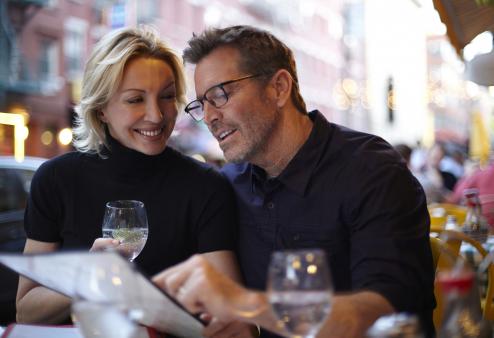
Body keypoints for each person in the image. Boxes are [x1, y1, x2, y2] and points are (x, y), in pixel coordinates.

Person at [155, 25, 435, 338]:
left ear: (279, 88)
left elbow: (384, 316)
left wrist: (243, 304)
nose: (208, 117)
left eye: (220, 95)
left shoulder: (372, 171)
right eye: (201, 104)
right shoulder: (228, 185)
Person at [15, 26, 249, 336]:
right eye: (135, 100)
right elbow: (26, 308)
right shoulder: (56, 179)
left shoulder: (205, 186)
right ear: (101, 109)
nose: (156, 115)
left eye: (167, 97)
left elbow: (231, 313)